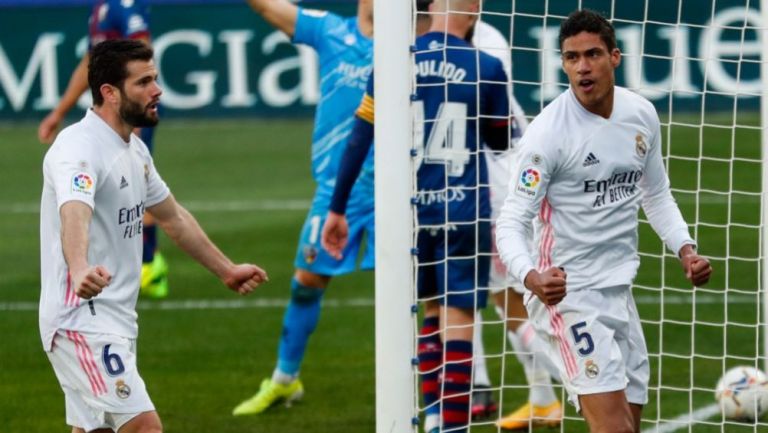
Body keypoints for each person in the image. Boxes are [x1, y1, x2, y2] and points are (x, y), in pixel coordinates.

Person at [495, 9, 712, 433]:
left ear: (614, 57)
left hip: (619, 289)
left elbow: (657, 192)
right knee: (615, 428)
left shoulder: (641, 115)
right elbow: (511, 221)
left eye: (592, 54)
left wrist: (685, 249)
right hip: (568, 295)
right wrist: (530, 277)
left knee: (628, 423)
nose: (582, 67)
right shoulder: (547, 136)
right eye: (571, 57)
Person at [39, 39, 268, 433]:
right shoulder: (78, 148)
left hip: (115, 319)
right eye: (144, 82)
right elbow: (74, 209)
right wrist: (78, 266)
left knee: (94, 430)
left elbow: (173, 217)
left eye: (155, 79)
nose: (157, 90)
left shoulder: (135, 151)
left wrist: (226, 270)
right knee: (145, 427)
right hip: (82, 317)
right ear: (110, 93)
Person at [321, 1, 510, 431]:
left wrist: (337, 208)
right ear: (472, 11)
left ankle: (432, 416)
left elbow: (358, 138)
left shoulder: (395, 61)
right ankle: (454, 426)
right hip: (464, 209)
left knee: (429, 314)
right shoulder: (486, 64)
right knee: (459, 320)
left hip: (412, 213)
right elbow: (500, 142)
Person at [231, 0, 374, 416]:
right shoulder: (331, 30)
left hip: (402, 190)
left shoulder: (414, 44)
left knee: (429, 290)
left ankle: (459, 385)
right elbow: (266, 8)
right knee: (305, 281)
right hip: (338, 192)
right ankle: (284, 380)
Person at [467, 19, 563, 429]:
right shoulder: (487, 35)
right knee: (507, 300)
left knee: (514, 302)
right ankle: (543, 398)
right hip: (505, 179)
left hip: (495, 187)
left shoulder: (480, 41)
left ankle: (584, 382)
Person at [37, 0, 169, 299]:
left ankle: (150, 263)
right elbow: (90, 65)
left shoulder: (128, 6)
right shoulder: (99, 8)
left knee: (138, 189)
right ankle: (141, 262)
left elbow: (141, 59)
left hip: (127, 116)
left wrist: (134, 127)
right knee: (116, 191)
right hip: (112, 116)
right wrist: (59, 112)